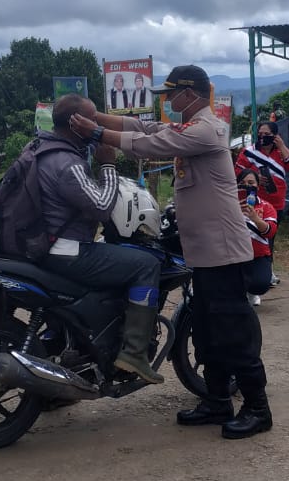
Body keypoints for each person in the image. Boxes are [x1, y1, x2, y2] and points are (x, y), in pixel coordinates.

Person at [70, 65, 272, 439]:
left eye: (172, 95)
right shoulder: (187, 127)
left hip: (223, 252)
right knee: (208, 331)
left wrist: (98, 133)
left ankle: (258, 408)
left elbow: (156, 144)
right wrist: (96, 115)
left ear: (191, 94)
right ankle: (216, 401)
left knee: (233, 331)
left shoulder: (208, 129)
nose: (168, 102)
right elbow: (146, 129)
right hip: (202, 252)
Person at [33, 94, 164, 384]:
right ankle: (134, 354)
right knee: (145, 265)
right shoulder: (67, 163)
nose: (96, 124)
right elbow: (103, 206)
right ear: (75, 123)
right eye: (91, 119)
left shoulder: (41, 147)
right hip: (66, 250)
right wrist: (108, 164)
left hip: (41, 247)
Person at [234, 119, 289, 285]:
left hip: (275, 203)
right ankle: (246, 272)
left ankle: (267, 271)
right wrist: (255, 175)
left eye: (267, 135)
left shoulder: (280, 153)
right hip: (252, 202)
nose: (263, 138)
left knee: (269, 237)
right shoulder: (249, 152)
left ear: (275, 136)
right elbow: (237, 170)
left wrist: (282, 145)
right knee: (249, 235)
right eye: (260, 134)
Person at [236, 168, 277, 306]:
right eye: (243, 182)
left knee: (260, 284)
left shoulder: (267, 206)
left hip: (258, 255)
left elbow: (271, 232)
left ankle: (252, 292)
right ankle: (238, 293)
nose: (247, 185)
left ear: (258, 186)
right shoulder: (229, 206)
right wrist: (234, 212)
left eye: (251, 182)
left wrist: (255, 219)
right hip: (234, 255)